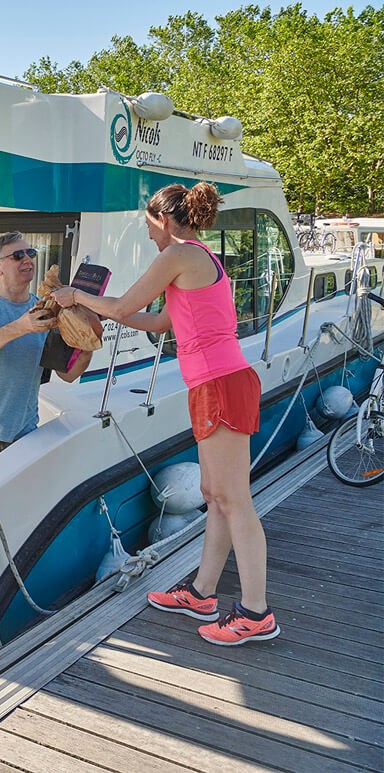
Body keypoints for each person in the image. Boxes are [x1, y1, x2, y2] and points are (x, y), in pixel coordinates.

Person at [51, 181, 279, 646]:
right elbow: (156, 322)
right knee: (215, 493)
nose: (148, 235)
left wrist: (77, 298)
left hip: (221, 383)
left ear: (161, 219)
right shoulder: (197, 259)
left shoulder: (177, 255)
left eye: (148, 225)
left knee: (235, 500)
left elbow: (118, 303)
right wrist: (102, 314)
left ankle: (257, 613)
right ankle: (202, 593)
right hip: (214, 383)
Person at [0, 232, 93, 469]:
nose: (28, 259)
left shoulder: (47, 310)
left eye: (31, 253)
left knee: (13, 506)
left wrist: (88, 344)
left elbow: (68, 374)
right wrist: (22, 326)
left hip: (19, 434)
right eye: (17, 255)